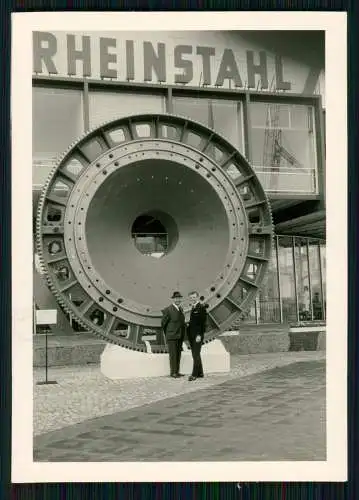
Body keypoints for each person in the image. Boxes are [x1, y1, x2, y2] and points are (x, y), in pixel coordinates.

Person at [161, 291, 186, 378]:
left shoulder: (181, 309)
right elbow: (163, 323)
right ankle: (173, 372)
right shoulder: (168, 309)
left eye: (179, 298)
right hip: (172, 336)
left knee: (178, 354)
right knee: (173, 355)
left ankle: (177, 371)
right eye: (176, 298)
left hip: (180, 335)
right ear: (173, 299)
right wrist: (168, 333)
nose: (178, 300)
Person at [187, 290, 207, 381]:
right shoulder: (194, 307)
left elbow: (203, 323)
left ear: (197, 297)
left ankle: (194, 374)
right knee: (196, 354)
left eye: (194, 297)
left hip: (197, 336)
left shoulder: (201, 307)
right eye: (191, 298)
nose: (192, 299)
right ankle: (201, 373)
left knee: (195, 354)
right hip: (192, 335)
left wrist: (199, 335)